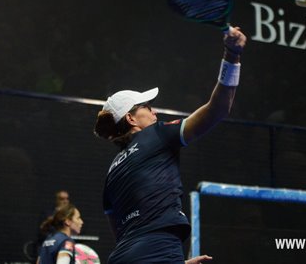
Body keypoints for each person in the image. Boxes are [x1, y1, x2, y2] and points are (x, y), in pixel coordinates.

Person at [93, 27, 247, 264]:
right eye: (146, 106)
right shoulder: (157, 134)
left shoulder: (111, 173)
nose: (154, 111)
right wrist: (232, 55)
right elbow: (218, 109)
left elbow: (124, 236)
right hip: (160, 250)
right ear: (131, 119)